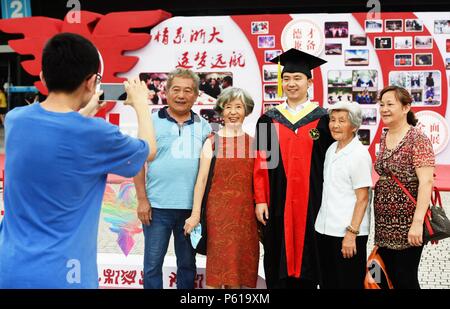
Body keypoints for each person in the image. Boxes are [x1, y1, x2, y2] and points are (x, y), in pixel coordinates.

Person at [0, 33, 157, 288]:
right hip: (64, 276)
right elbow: (147, 150)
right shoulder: (96, 134)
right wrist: (140, 104)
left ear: (43, 76)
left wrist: (85, 111)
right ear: (91, 81)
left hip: (10, 269)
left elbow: (59, 133)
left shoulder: (16, 120)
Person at [254, 48, 334, 289]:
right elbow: (262, 163)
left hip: (315, 204)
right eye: (286, 78)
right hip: (278, 204)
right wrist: (260, 200)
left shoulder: (325, 120)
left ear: (309, 82)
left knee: (313, 263)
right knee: (277, 260)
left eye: (297, 78)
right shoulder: (269, 120)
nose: (291, 83)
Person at [134, 68, 212, 289]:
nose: (181, 95)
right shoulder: (150, 121)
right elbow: (137, 162)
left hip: (190, 211)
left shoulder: (204, 126)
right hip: (157, 208)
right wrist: (142, 199)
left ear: (196, 95)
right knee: (152, 265)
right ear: (166, 92)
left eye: (188, 91)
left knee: (187, 264)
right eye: (176, 89)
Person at [184, 87, 259, 289]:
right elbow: (201, 180)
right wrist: (195, 214)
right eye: (228, 107)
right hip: (218, 215)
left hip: (245, 216)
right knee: (217, 272)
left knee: (239, 273)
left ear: (247, 111)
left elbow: (259, 183)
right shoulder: (212, 143)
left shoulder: (255, 144)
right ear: (221, 111)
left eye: (238, 107)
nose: (233, 112)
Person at [375, 85, 434, 289]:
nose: (384, 109)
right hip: (384, 225)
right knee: (387, 276)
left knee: (405, 279)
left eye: (390, 104)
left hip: (408, 224)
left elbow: (426, 182)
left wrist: (417, 223)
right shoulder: (384, 137)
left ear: (406, 107)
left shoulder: (417, 139)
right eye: (381, 104)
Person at [314, 101, 372, 289]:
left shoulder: (359, 154)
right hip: (325, 230)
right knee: (328, 283)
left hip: (347, 235)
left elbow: (363, 198)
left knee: (348, 284)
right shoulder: (332, 149)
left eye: (342, 121)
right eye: (332, 120)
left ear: (354, 126)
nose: (335, 125)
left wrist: (351, 234)